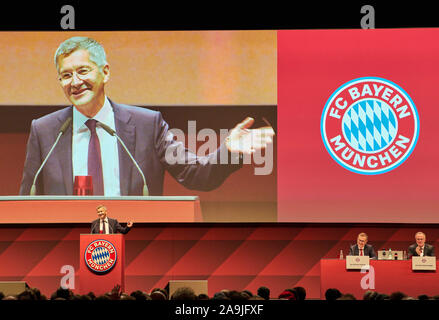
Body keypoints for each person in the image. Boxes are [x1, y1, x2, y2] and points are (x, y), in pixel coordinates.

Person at [19, 36, 274, 196]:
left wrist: (229, 150)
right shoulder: (45, 130)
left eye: (83, 71)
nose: (75, 82)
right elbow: (26, 201)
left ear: (105, 72)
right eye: (66, 75)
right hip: (65, 254)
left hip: (136, 251)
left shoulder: (147, 125)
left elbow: (196, 174)